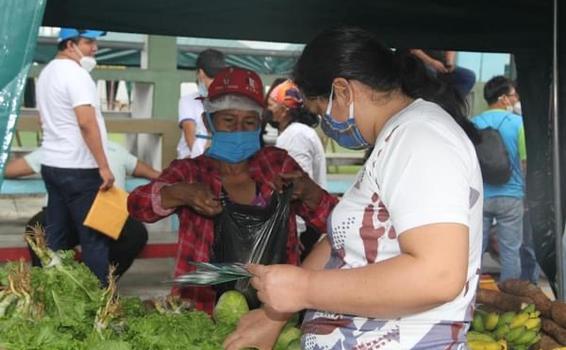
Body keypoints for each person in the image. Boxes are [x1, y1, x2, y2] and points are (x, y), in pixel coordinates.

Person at [225, 27, 483, 350]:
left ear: (343, 91)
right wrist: (276, 312)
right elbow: (340, 240)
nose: (328, 128)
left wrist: (305, 288)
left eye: (321, 113)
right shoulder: (395, 139)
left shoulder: (420, 139)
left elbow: (439, 275)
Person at [128, 67, 338, 314]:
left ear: (260, 124)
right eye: (228, 121)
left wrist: (310, 192)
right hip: (201, 311)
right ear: (208, 122)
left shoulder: (277, 165)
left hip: (274, 313)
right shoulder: (190, 172)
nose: (239, 129)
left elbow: (335, 223)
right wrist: (180, 193)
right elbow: (138, 206)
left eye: (249, 122)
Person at [4, 141, 160, 277]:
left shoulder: (112, 148)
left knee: (135, 234)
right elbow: (11, 169)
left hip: (108, 212)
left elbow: (146, 171)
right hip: (65, 212)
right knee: (36, 228)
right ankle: (50, 282)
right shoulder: (55, 147)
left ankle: (98, 282)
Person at [37, 28, 114, 284]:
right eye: (89, 42)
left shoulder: (47, 73)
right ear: (70, 44)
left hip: (52, 163)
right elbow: (86, 122)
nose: (94, 48)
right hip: (80, 169)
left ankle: (54, 296)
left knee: (56, 237)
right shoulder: (77, 75)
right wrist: (103, 166)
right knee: (94, 238)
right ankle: (98, 301)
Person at [263, 79, 327, 260]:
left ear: (285, 109)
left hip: (302, 227)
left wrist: (294, 232)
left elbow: (296, 187)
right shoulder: (294, 133)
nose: (268, 110)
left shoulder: (296, 136)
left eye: (271, 105)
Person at [472, 76, 526, 282]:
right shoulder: (518, 123)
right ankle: (509, 299)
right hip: (511, 195)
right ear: (503, 98)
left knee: (475, 250)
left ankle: (472, 296)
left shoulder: (473, 124)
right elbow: (525, 162)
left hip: (480, 197)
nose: (515, 100)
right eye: (513, 96)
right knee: (511, 251)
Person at [177, 49, 226, 159]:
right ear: (200, 74)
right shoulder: (188, 101)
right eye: (211, 79)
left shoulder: (227, 103)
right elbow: (192, 143)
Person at [410, 49, 476, 97]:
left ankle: (452, 105)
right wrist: (431, 63)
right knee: (430, 74)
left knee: (468, 76)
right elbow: (414, 50)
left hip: (441, 66)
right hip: (421, 64)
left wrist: (449, 62)